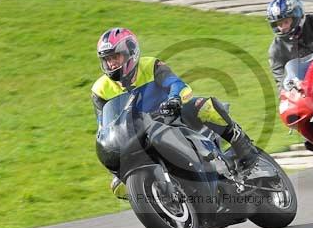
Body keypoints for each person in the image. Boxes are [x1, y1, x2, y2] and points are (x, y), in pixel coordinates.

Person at [91, 27, 258, 198]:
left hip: (172, 116)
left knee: (206, 106)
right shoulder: (100, 90)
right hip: (138, 134)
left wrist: (174, 99)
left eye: (115, 57)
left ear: (130, 52)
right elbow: (104, 124)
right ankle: (161, 201)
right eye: (107, 59)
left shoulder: (151, 65)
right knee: (118, 186)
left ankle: (244, 146)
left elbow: (176, 84)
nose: (111, 64)